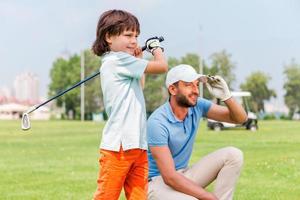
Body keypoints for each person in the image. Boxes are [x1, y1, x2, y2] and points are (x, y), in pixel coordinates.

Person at [91, 9, 168, 200]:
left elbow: (140, 85)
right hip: (118, 148)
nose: (134, 41)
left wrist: (139, 60)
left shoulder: (125, 62)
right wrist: (156, 48)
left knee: (139, 196)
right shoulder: (117, 60)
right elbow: (162, 66)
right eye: (128, 35)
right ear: (109, 36)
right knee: (106, 197)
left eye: (136, 36)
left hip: (138, 145)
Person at [147, 64, 248, 200]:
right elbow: (169, 177)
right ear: (172, 89)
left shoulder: (198, 106)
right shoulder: (157, 122)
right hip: (157, 184)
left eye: (196, 85)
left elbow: (240, 119)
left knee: (234, 155)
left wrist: (227, 97)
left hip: (183, 174)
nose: (196, 91)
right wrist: (209, 197)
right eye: (189, 85)